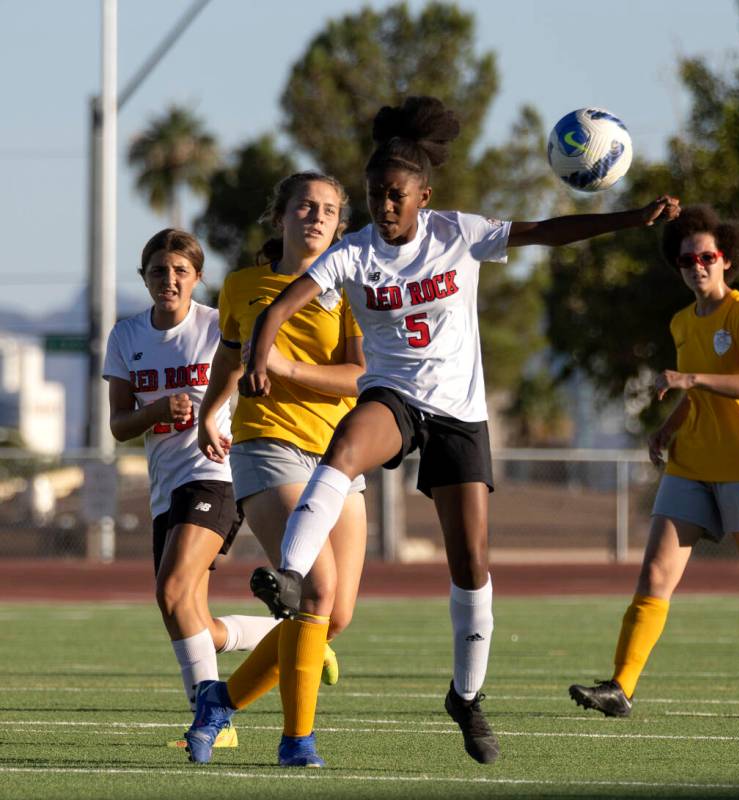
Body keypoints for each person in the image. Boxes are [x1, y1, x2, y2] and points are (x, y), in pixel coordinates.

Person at [204, 95, 680, 767]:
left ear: (424, 195)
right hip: (395, 400)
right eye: (374, 196)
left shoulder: (458, 233)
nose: (385, 207)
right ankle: (286, 573)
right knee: (345, 447)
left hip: (459, 412)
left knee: (472, 564)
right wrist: (258, 355)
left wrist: (631, 218)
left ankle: (466, 695)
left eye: (396, 195)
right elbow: (281, 305)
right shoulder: (353, 253)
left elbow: (544, 231)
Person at [569, 204, 739, 720]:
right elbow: (695, 394)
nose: (697, 266)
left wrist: (691, 380)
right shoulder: (681, 322)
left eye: (706, 256)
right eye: (686, 260)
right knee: (655, 574)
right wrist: (668, 427)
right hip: (691, 463)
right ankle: (620, 688)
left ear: (726, 258)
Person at [184, 172, 367, 767]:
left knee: (333, 617)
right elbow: (230, 362)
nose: (316, 217)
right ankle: (297, 741)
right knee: (315, 589)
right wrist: (213, 412)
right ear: (281, 215)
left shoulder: (357, 285)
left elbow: (361, 378)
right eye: (305, 206)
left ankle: (221, 699)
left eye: (329, 210)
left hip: (339, 454)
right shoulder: (243, 285)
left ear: (341, 223)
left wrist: (285, 366)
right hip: (268, 446)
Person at [103, 228, 280, 749]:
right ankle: (291, 638)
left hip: (217, 474)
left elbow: (249, 383)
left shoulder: (217, 326)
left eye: (181, 270)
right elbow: (118, 426)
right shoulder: (126, 337)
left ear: (198, 278)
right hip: (165, 489)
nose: (170, 279)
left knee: (171, 589)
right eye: (159, 270)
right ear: (145, 277)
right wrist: (159, 409)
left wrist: (209, 417)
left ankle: (211, 720)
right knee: (188, 613)